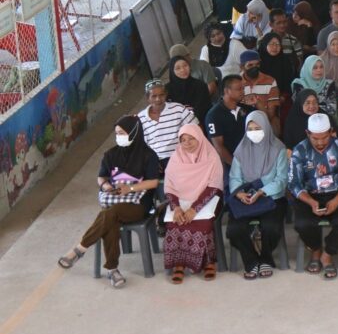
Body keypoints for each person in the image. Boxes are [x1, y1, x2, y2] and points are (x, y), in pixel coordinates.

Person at [57, 116, 161, 288]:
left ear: (134, 132)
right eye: (117, 133)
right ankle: (112, 270)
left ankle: (80, 249)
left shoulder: (148, 155)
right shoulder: (111, 154)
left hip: (139, 204)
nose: (119, 137)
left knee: (110, 214)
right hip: (115, 201)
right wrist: (106, 186)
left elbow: (153, 182)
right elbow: (101, 177)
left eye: (122, 133)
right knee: (110, 219)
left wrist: (130, 188)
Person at [288, 113, 338, 280]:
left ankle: (327, 254)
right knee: (302, 223)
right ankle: (315, 249)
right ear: (307, 133)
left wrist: (337, 200)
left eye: (324, 137)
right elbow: (294, 183)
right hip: (309, 195)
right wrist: (311, 202)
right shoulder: (299, 150)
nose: (320, 142)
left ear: (331, 131)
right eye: (315, 138)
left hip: (337, 193)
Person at [226, 111, 288, 279]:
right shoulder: (241, 150)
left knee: (271, 227)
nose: (254, 133)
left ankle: (265, 258)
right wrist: (239, 194)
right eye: (250, 129)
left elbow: (282, 179)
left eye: (258, 128)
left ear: (266, 128)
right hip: (246, 197)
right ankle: (251, 261)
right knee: (234, 230)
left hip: (271, 197)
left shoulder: (278, 149)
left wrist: (261, 191)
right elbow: (234, 178)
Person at [163, 123, 225, 283]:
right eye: (183, 140)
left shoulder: (211, 156)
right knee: (174, 223)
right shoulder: (176, 158)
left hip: (209, 199)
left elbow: (214, 186)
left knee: (203, 223)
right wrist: (176, 208)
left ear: (199, 138)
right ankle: (179, 263)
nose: (187, 143)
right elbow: (169, 187)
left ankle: (208, 262)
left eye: (191, 138)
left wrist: (194, 209)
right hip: (181, 200)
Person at [137, 78, 197, 169]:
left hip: (181, 156)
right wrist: (151, 161)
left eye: (161, 95)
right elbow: (142, 145)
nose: (158, 99)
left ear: (166, 94)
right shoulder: (140, 118)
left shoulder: (178, 109)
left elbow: (196, 128)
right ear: (148, 98)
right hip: (157, 161)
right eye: (154, 96)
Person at [205, 75, 255, 167]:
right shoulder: (214, 115)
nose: (243, 92)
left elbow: (265, 121)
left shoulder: (246, 109)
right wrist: (237, 167)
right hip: (227, 164)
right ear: (227, 91)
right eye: (239, 89)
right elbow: (218, 146)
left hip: (250, 159)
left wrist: (257, 103)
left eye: (243, 88)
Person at [166, 57, 212, 126]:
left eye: (185, 65)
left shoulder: (200, 85)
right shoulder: (167, 90)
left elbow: (203, 109)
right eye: (178, 68)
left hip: (199, 123)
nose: (183, 70)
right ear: (172, 71)